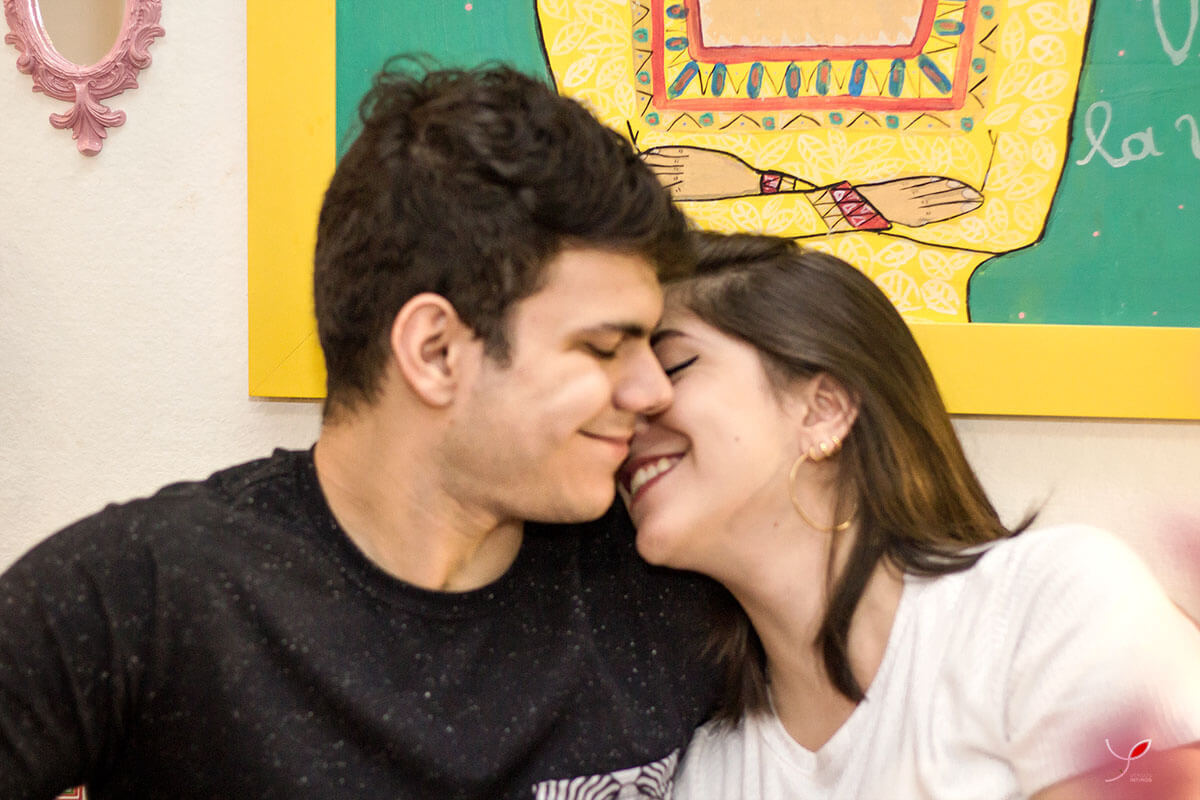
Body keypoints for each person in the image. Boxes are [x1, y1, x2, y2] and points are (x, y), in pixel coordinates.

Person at [0, 61, 721, 799]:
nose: (652, 389)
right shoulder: (148, 593)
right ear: (435, 352)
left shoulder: (672, 588)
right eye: (603, 348)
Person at [620, 231, 1200, 799]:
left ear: (824, 409)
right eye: (613, 391)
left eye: (672, 367)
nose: (629, 410)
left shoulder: (1050, 601)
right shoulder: (709, 766)